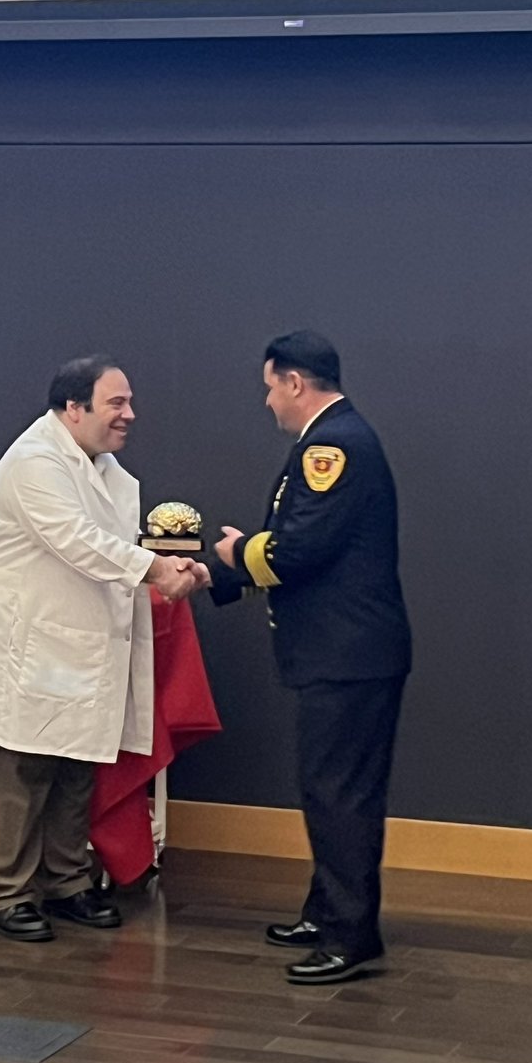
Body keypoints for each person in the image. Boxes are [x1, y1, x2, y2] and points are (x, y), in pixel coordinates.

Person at [0, 355, 209, 942]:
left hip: (76, 648)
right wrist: (155, 570)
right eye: (116, 403)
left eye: (129, 402)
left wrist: (166, 563)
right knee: (18, 774)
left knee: (73, 768)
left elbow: (111, 545)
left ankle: (66, 883)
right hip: (27, 649)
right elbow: (75, 539)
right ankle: (5, 894)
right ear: (73, 408)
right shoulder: (33, 462)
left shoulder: (101, 466)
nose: (130, 414)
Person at [209, 330, 411, 985]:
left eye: (271, 386)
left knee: (339, 794)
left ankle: (351, 935)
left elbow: (298, 552)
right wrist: (240, 564)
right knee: (329, 789)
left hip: (345, 654)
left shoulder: (332, 447)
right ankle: (327, 912)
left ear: (295, 382)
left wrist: (235, 557)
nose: (268, 401)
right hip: (347, 652)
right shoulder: (338, 439)